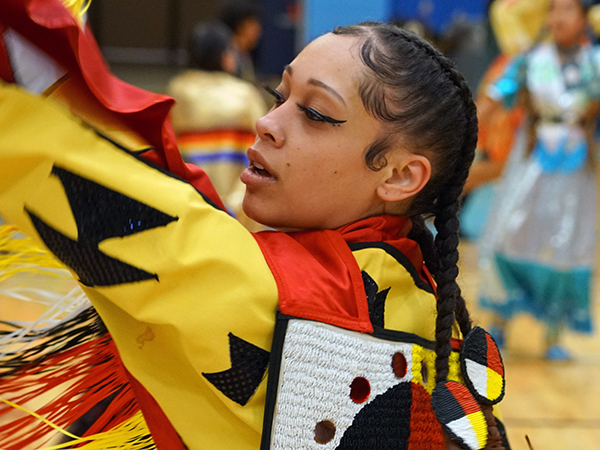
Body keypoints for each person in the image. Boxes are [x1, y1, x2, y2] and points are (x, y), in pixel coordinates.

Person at [0, 1, 510, 449]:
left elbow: (78, 180)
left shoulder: (292, 302)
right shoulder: (420, 296)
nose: (268, 122)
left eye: (313, 112)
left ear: (400, 175)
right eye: (277, 95)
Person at [476, 0, 600, 360]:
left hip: (577, 171)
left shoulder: (594, 63)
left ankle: (553, 335)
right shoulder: (530, 60)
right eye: (553, 10)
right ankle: (499, 322)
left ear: (583, 19)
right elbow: (493, 100)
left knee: (566, 245)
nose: (558, 18)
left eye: (567, 10)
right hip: (530, 165)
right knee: (508, 235)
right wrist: (461, 132)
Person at [167, 21, 267, 228]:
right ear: (225, 57)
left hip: (189, 209)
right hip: (239, 213)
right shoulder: (246, 95)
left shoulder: (176, 91)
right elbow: (264, 152)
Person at [219, 0, 262, 83]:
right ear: (239, 24)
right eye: (253, 22)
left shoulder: (245, 54)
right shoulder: (226, 55)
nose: (258, 28)